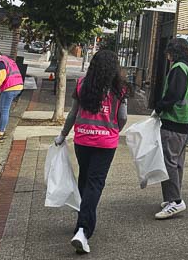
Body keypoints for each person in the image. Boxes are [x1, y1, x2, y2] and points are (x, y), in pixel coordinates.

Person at [54, 49, 128, 254]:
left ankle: (81, 222)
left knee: (84, 180)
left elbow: (72, 114)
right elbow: (122, 117)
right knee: (95, 184)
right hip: (106, 144)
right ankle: (83, 230)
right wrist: (113, 130)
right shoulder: (119, 90)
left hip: (83, 140)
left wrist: (62, 134)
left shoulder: (81, 85)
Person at [154, 38, 188, 220]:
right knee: (177, 162)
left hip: (175, 120)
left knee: (168, 162)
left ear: (174, 52)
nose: (167, 56)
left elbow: (174, 94)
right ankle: (172, 198)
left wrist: (159, 108)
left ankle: (176, 200)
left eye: (169, 52)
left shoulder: (179, 68)